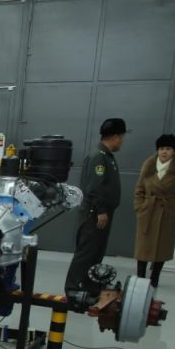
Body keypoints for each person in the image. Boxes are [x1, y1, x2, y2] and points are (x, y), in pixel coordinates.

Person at [65, 118, 128, 294]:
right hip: (94, 214)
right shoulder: (98, 157)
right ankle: (71, 288)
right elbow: (94, 187)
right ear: (116, 137)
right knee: (86, 252)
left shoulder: (107, 156)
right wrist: (101, 210)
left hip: (102, 213)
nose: (122, 141)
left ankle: (90, 286)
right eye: (122, 137)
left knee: (96, 252)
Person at [132, 134, 175, 288]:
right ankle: (140, 276)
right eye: (161, 148)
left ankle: (155, 277)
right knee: (143, 246)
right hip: (148, 210)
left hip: (168, 212)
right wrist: (140, 206)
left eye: (168, 149)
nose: (164, 152)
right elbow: (139, 188)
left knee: (163, 246)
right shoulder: (149, 166)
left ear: (174, 151)